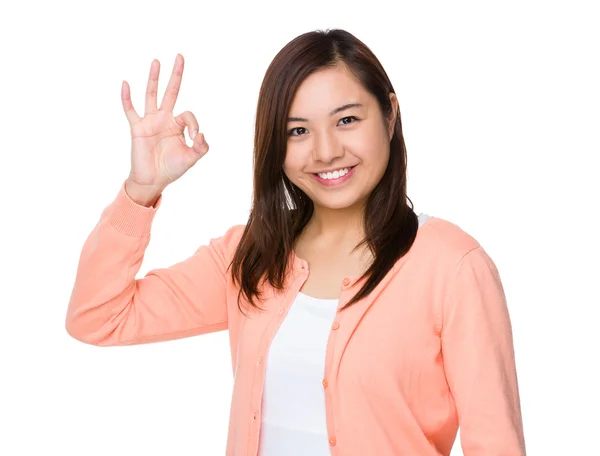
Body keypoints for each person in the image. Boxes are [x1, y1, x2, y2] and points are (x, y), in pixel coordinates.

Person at [65, 29, 526, 455]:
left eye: (346, 119)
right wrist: (140, 192)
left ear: (389, 115)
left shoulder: (452, 265)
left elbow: (496, 444)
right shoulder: (251, 253)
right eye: (298, 130)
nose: (325, 151)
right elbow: (97, 318)